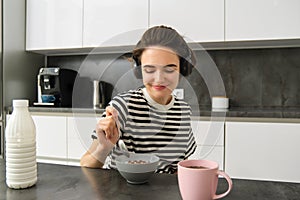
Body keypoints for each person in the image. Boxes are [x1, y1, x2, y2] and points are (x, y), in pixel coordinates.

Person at [80, 25, 197, 174]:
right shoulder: (122, 107)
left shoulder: (184, 111)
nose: (159, 79)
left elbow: (177, 167)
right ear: (139, 70)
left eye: (169, 69)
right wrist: (104, 148)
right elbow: (85, 164)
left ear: (182, 69)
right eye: (149, 70)